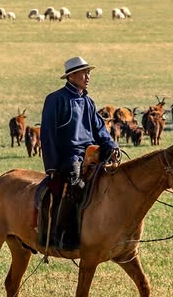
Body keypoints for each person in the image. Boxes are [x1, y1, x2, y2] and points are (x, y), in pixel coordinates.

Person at [40, 56, 119, 250]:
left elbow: (100, 129)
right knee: (75, 183)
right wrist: (51, 166)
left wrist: (111, 145)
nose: (88, 76)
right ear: (72, 76)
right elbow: (47, 135)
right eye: (84, 73)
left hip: (91, 153)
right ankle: (62, 234)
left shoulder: (88, 102)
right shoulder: (55, 99)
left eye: (89, 72)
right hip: (69, 155)